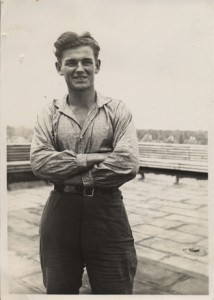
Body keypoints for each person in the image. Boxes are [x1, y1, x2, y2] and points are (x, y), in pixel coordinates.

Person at [30, 31, 140, 295]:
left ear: (97, 66)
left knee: (116, 288)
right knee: (59, 290)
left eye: (86, 62)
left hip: (107, 211)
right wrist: (95, 157)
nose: (79, 69)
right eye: (71, 62)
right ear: (59, 68)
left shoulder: (118, 110)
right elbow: (39, 162)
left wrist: (71, 174)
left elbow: (127, 163)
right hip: (61, 212)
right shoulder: (49, 113)